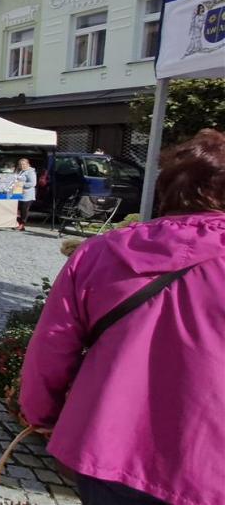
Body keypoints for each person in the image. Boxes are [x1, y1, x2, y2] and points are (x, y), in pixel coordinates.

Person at [19, 129, 225, 505]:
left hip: (105, 446)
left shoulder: (99, 253)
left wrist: (41, 416)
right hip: (206, 465)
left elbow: (51, 348)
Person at [15, 158, 37, 231]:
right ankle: (18, 223)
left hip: (27, 195)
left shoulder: (30, 172)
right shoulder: (20, 171)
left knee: (24, 210)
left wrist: (21, 184)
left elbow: (33, 183)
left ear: (28, 164)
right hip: (19, 193)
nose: (22, 166)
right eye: (20, 164)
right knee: (18, 210)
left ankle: (22, 224)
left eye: (24, 164)